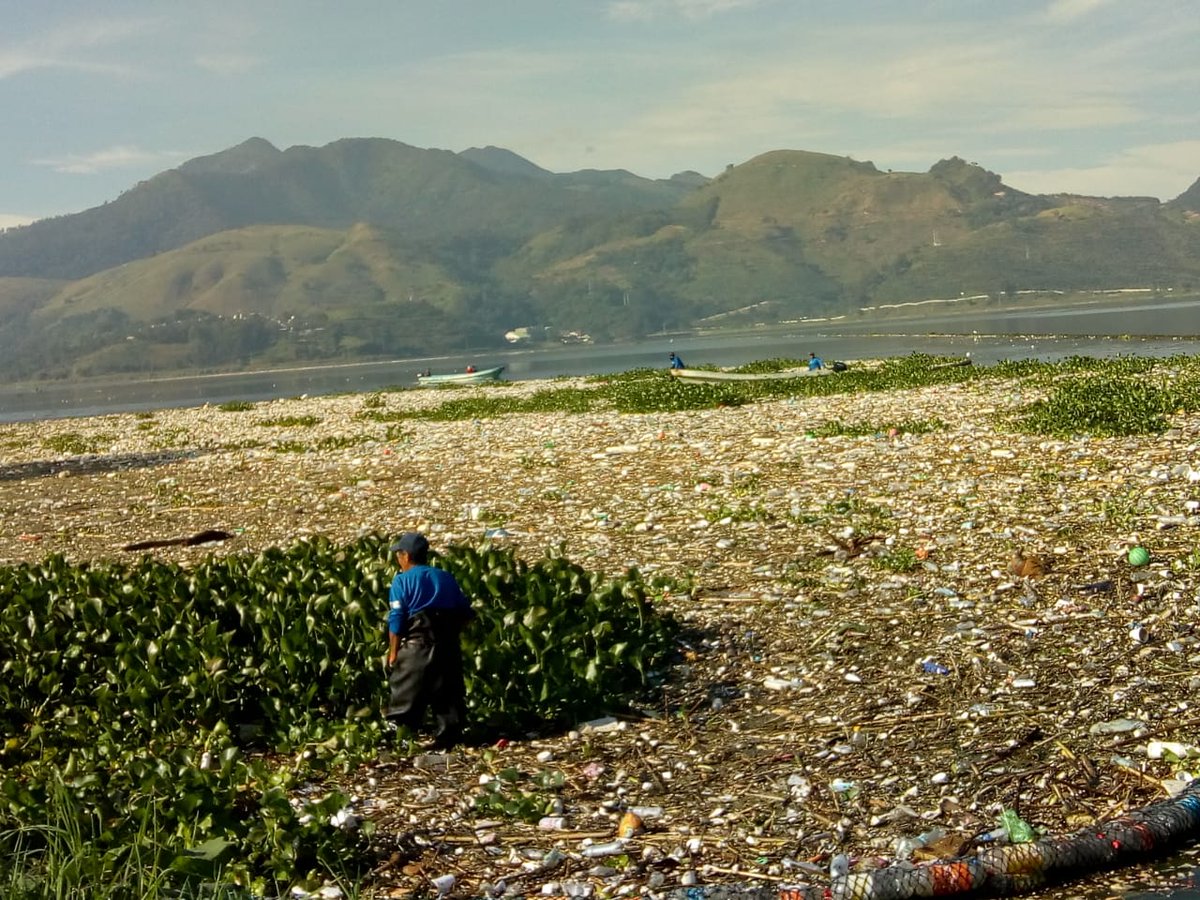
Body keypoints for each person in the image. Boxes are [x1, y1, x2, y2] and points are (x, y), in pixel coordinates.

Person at [384, 532, 475, 748]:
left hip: (418, 646)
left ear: (406, 556)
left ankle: (403, 739)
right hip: (448, 647)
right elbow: (467, 613)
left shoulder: (401, 581)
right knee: (448, 695)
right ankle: (448, 738)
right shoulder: (445, 577)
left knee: (405, 695)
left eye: (398, 554)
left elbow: (396, 620)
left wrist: (394, 653)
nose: (398, 558)